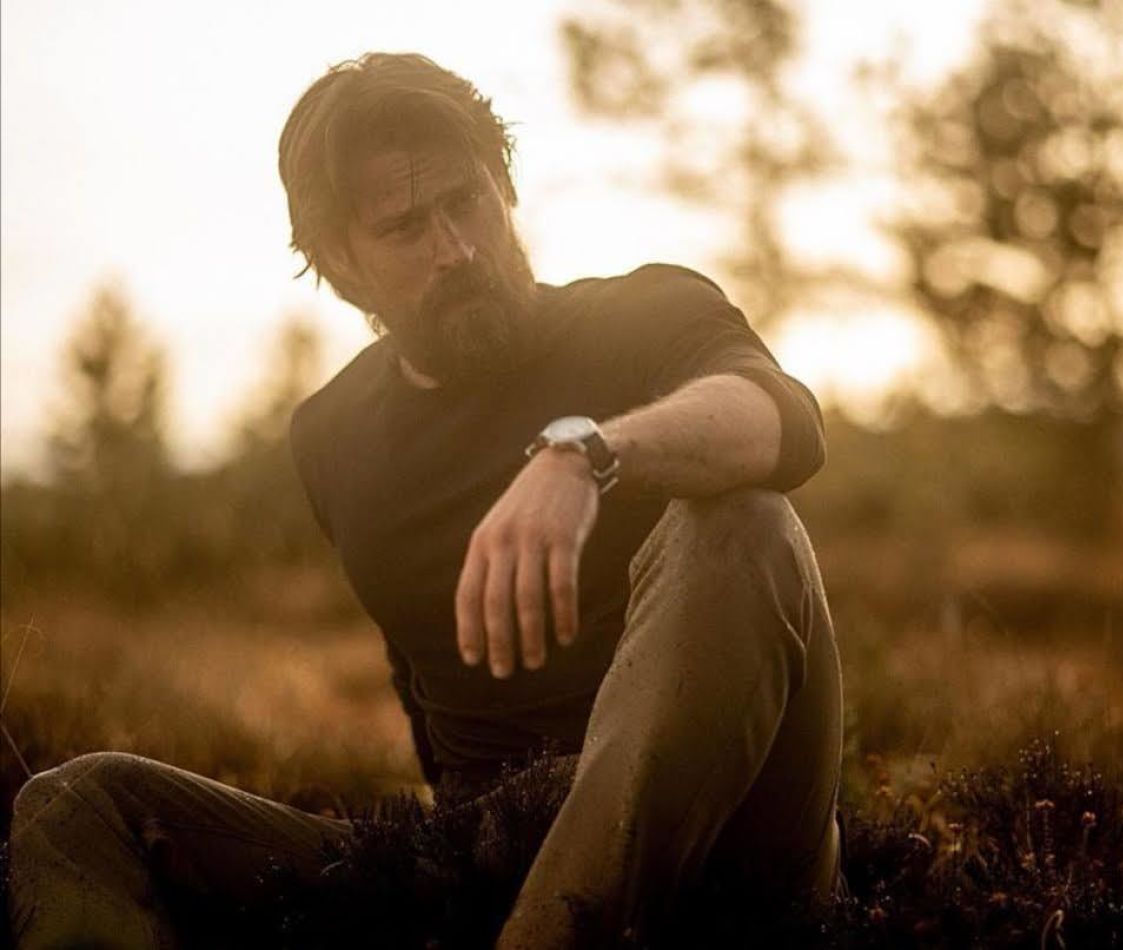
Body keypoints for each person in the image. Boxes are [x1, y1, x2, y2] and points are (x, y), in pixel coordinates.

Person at [7, 52, 843, 949]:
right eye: (407, 227)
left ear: (505, 189)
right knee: (76, 803)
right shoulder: (332, 435)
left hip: (725, 837)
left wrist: (587, 452)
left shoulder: (646, 313)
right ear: (341, 262)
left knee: (742, 520)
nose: (458, 249)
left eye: (467, 200)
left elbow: (780, 418)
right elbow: (422, 688)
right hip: (484, 849)